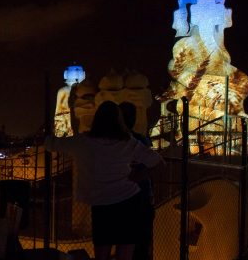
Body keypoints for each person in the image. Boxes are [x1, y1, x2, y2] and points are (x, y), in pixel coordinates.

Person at [46, 101, 163, 260]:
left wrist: (45, 133)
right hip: (129, 202)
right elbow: (158, 162)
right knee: (125, 254)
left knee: (102, 254)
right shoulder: (127, 142)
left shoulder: (83, 142)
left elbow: (52, 144)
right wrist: (138, 176)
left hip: (101, 204)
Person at [119, 102, 155, 260]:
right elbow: (154, 165)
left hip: (123, 199)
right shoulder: (141, 141)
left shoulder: (112, 143)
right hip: (141, 198)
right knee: (140, 243)